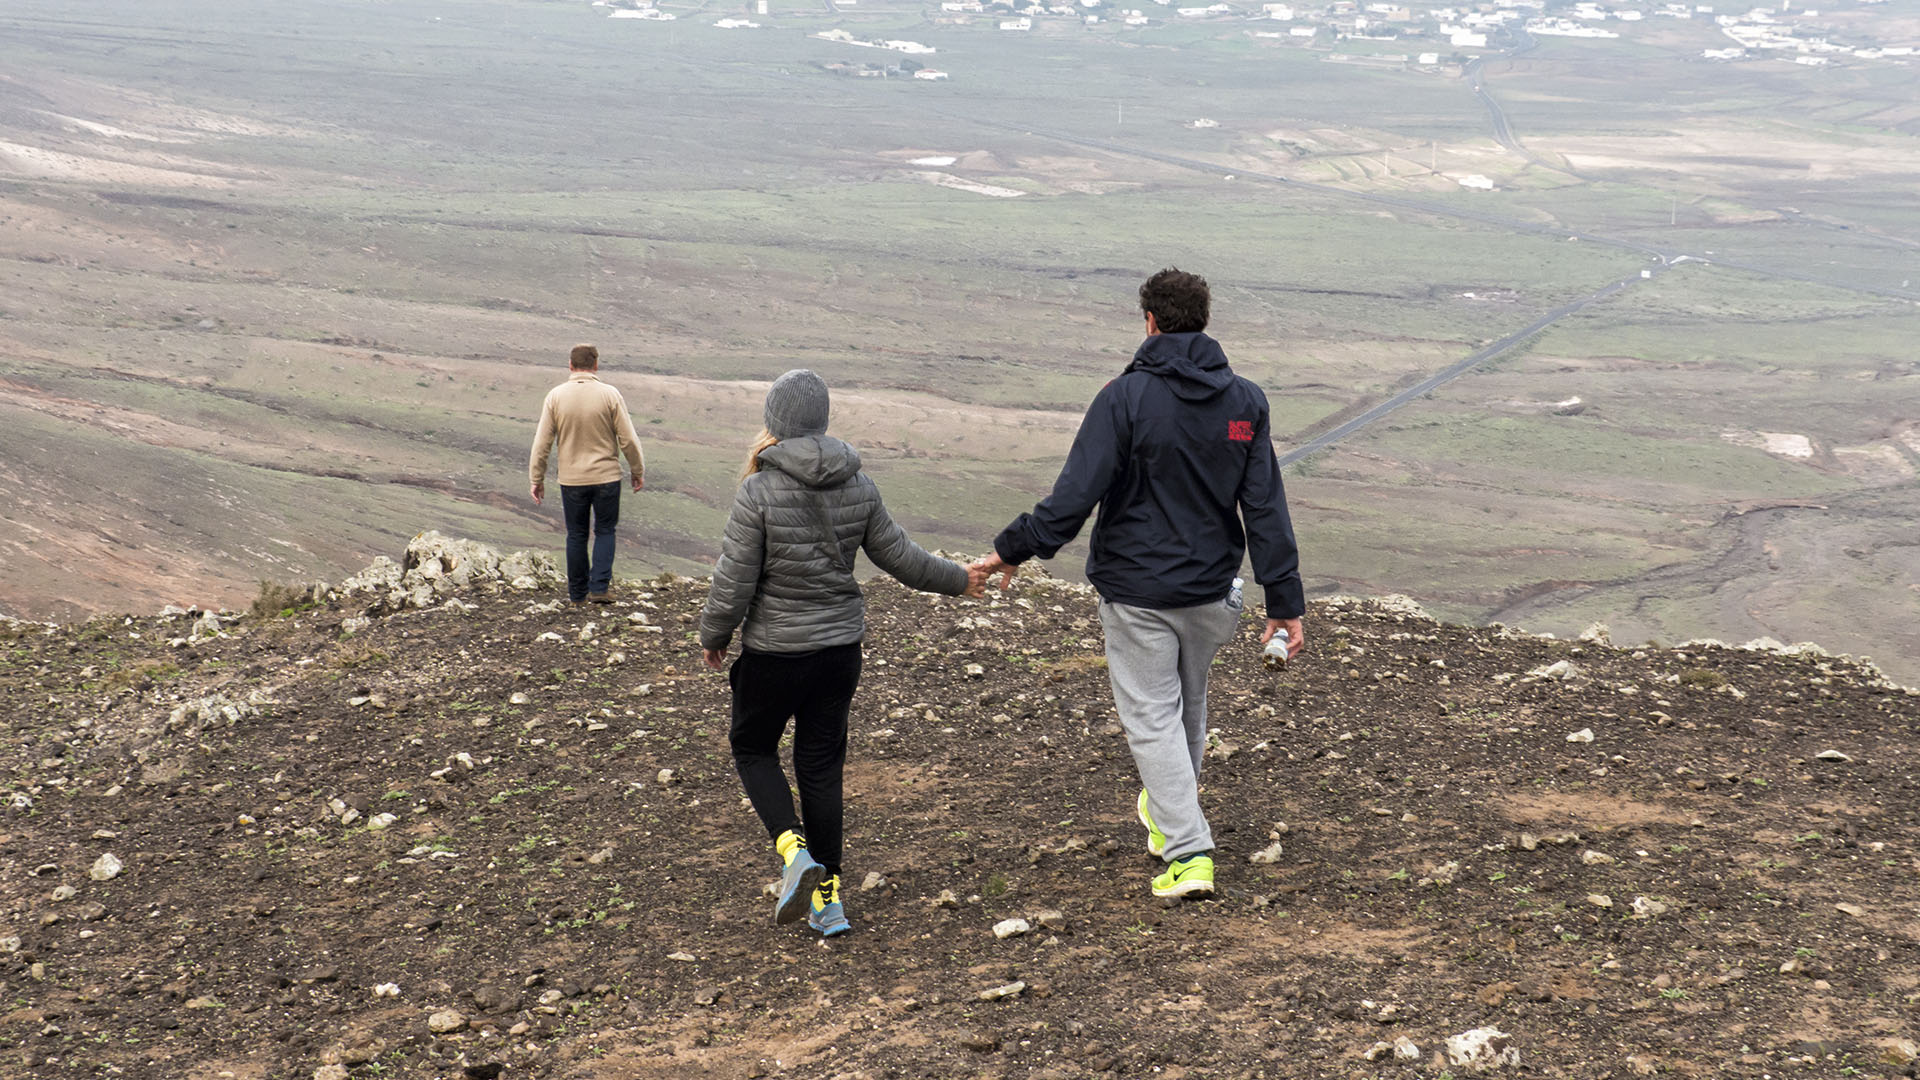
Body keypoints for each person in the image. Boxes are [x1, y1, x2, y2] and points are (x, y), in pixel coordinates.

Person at [972, 268, 1305, 901]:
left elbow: (1073, 498)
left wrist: (1012, 551)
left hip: (1138, 594)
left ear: (1149, 321)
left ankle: (1188, 854)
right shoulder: (1246, 403)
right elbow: (1263, 507)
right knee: (1187, 707)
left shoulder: (1124, 400)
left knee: (1153, 718)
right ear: (1202, 321)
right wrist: (1284, 600)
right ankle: (1166, 814)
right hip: (1212, 595)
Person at [699, 370, 989, 936]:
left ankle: (793, 853)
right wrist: (961, 580)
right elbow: (902, 558)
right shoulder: (859, 484)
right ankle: (828, 900)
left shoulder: (758, 490)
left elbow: (732, 582)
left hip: (775, 654)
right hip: (838, 653)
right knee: (821, 767)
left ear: (775, 421)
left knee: (753, 746)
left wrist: (714, 635)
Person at [528, 344, 646, 604]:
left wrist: (536, 478)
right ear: (596, 365)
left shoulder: (555, 397)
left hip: (571, 480)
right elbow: (628, 439)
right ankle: (600, 588)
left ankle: (577, 593)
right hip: (606, 477)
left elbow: (542, 443)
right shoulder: (610, 395)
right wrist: (637, 470)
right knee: (605, 530)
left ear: (570, 365)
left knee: (576, 534)